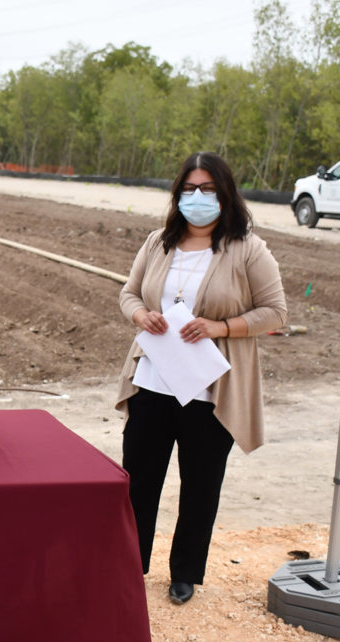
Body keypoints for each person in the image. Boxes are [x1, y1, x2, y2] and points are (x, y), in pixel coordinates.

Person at [116, 151, 287, 605]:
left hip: (210, 391)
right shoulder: (158, 242)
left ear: (225, 194)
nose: (197, 197)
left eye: (207, 189)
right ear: (177, 195)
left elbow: (276, 312)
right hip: (153, 384)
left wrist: (220, 327)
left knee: (200, 484)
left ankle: (185, 572)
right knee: (139, 481)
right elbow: (128, 293)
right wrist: (141, 314)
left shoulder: (247, 248)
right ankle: (130, 564)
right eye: (189, 189)